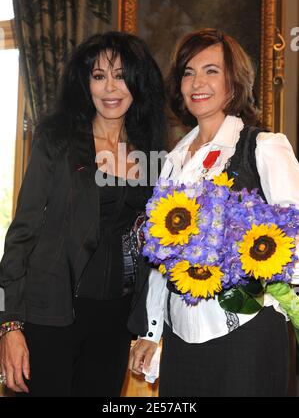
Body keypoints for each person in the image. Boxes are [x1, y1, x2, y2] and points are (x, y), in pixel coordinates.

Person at [128, 28, 299, 397]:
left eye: (211, 70)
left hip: (249, 334)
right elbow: (162, 256)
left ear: (234, 83)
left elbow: (295, 241)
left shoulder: (265, 148)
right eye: (188, 72)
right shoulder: (172, 164)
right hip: (180, 339)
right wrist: (151, 330)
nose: (197, 82)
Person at [0, 31, 166, 397]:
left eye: (121, 75)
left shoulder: (153, 153)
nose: (110, 87)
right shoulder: (57, 140)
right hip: (51, 313)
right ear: (85, 83)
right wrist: (9, 324)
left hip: (116, 321)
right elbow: (21, 233)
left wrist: (148, 325)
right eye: (98, 75)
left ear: (138, 82)